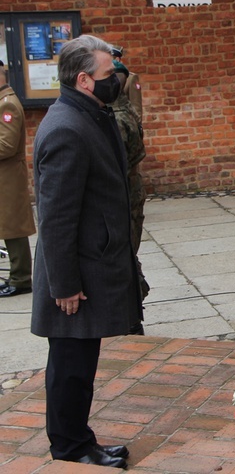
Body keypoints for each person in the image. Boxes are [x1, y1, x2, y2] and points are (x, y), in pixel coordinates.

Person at [32, 35, 142, 468]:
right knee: (71, 366)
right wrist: (65, 285)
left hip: (89, 263)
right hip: (73, 275)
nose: (115, 80)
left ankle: (75, 438)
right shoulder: (66, 128)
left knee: (80, 362)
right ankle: (70, 445)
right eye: (107, 75)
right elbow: (55, 219)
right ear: (82, 81)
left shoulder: (90, 113)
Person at [110, 57, 149, 334]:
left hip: (126, 194)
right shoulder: (117, 113)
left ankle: (131, 314)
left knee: (125, 255)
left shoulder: (120, 117)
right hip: (129, 194)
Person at [0, 60, 36, 298]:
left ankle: (21, 278)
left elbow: (7, 145)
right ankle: (17, 276)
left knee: (13, 229)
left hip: (8, 177)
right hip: (5, 177)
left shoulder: (8, 104)